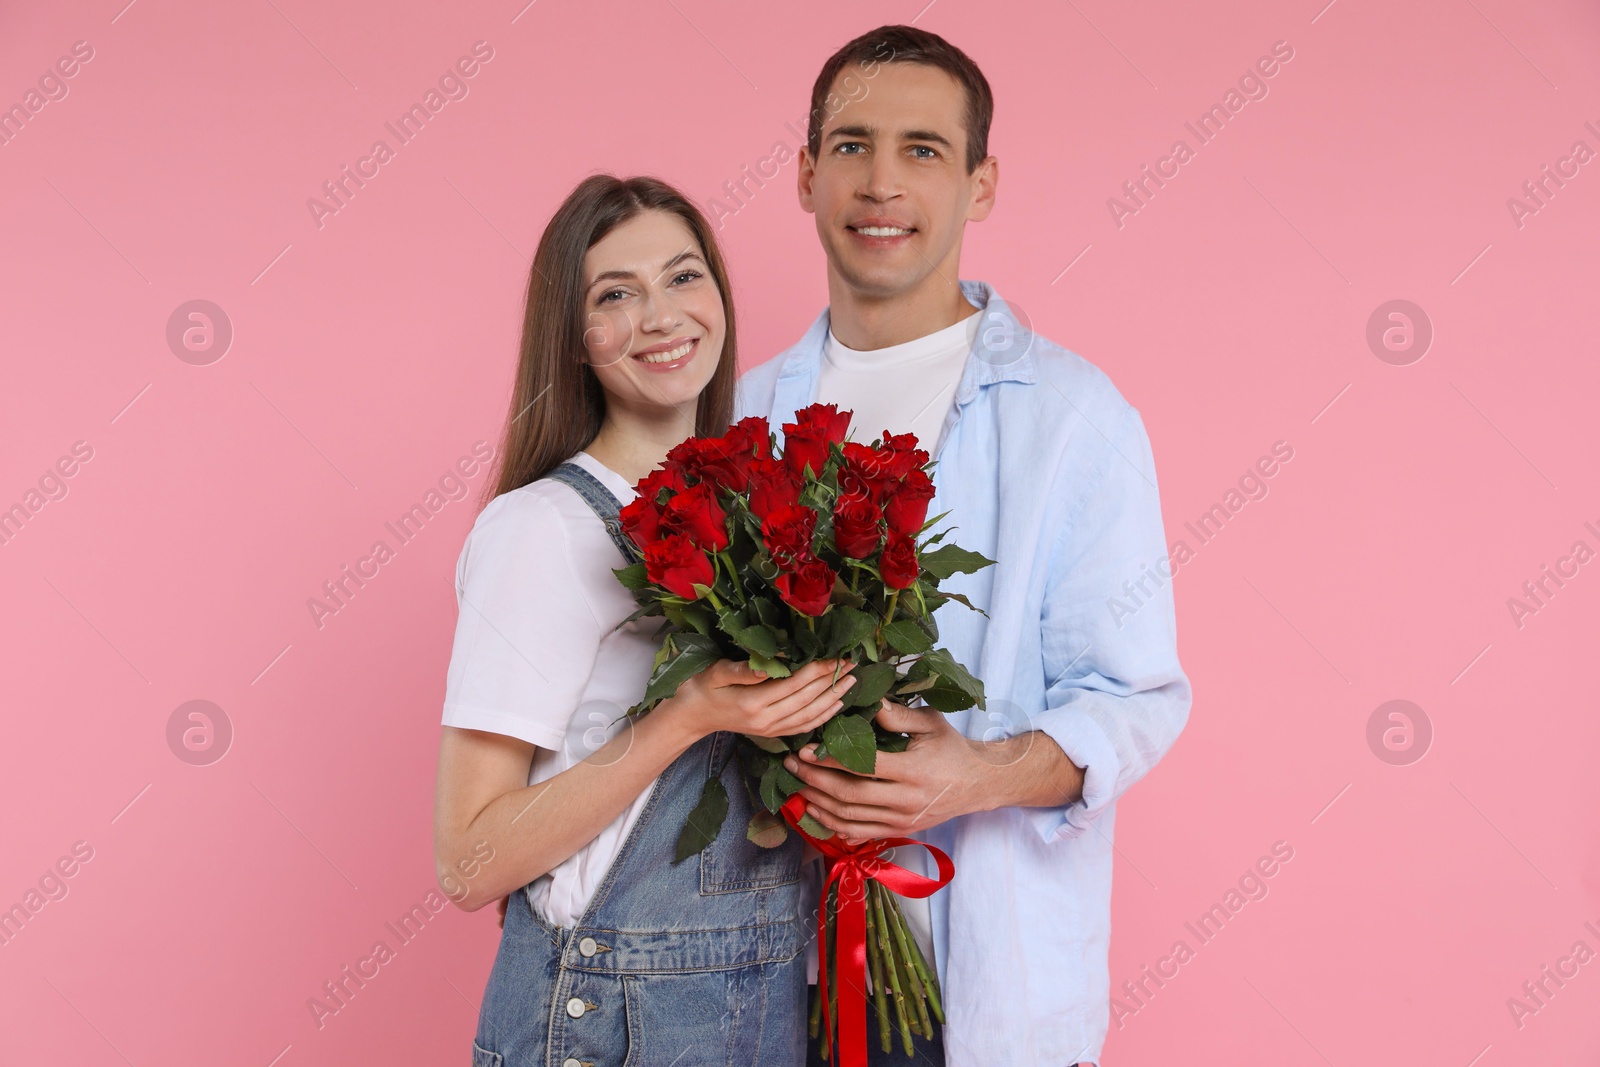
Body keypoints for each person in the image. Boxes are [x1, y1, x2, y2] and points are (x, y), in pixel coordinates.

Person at [733, 26, 1193, 1067]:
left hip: (985, 984)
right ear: (806, 176)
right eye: (849, 146)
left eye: (923, 150)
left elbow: (1133, 698)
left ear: (981, 185)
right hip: (758, 979)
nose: (881, 182)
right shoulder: (744, 414)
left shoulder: (1074, 416)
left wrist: (973, 775)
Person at [432, 173, 860, 1067]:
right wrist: (687, 715)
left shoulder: (758, 516)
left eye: (683, 276)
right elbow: (467, 859)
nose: (661, 316)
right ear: (574, 339)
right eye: (615, 295)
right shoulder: (541, 531)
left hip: (757, 1007)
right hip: (612, 1027)